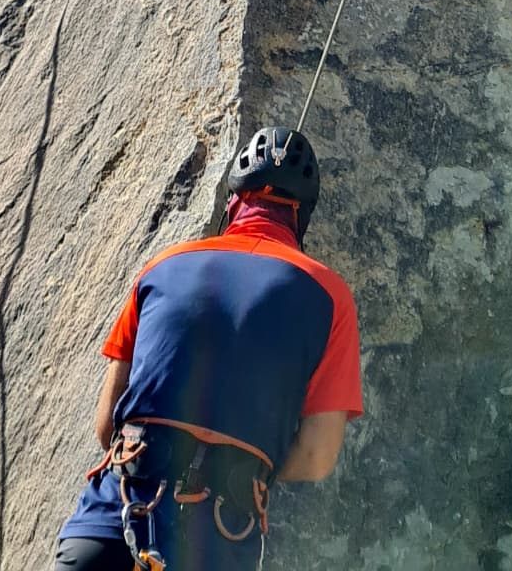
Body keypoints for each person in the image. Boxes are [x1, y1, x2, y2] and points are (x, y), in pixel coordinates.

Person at [54, 126, 360, 569]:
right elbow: (316, 455)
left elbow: (107, 425)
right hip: (213, 540)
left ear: (233, 203)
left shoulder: (162, 266)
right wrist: (246, 467)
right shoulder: (330, 297)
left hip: (111, 524)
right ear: (302, 217)